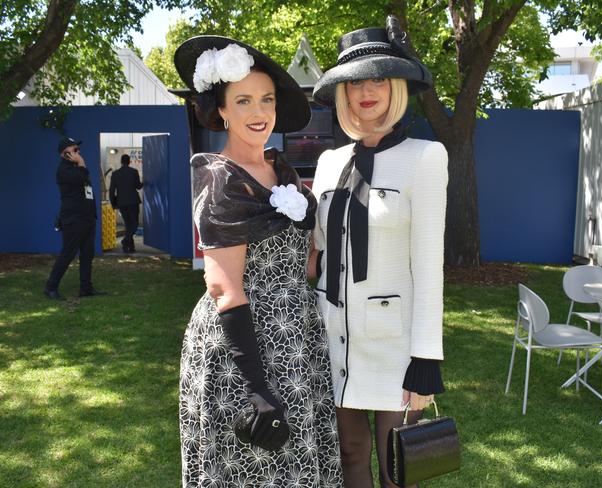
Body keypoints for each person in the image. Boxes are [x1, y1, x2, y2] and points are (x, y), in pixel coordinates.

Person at [174, 36, 343, 487]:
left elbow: (302, 260)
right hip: (246, 347)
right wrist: (255, 387)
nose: (258, 112)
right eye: (243, 100)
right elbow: (223, 287)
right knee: (255, 464)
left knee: (297, 457)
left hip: (296, 336)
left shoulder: (280, 168)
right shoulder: (218, 178)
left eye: (266, 99)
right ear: (222, 110)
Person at [309, 17, 448, 488]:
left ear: (396, 87)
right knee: (348, 453)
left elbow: (430, 268)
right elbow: (321, 249)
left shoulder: (426, 157)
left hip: (395, 343)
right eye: (354, 82)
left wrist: (426, 358)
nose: (366, 91)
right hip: (333, 335)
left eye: (378, 79)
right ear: (342, 94)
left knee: (396, 466)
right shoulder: (329, 163)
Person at [44, 138, 105, 300]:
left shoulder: (75, 167)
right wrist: (82, 163)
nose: (78, 151)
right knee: (68, 254)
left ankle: (86, 288)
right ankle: (50, 287)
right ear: (65, 153)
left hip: (87, 218)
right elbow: (81, 177)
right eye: (75, 149)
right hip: (74, 219)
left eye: (78, 149)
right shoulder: (64, 170)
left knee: (87, 254)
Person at [109, 154, 143, 253]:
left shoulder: (115, 174)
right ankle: (125, 241)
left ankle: (129, 247)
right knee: (135, 224)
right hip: (133, 202)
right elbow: (138, 186)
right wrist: (144, 182)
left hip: (121, 203)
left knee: (128, 225)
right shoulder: (134, 172)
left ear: (121, 162)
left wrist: (113, 204)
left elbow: (111, 191)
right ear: (129, 162)